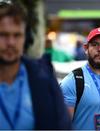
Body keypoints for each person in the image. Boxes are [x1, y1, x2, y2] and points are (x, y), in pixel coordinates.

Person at [0, 1, 71, 130]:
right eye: (3, 35)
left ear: (26, 39)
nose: (10, 42)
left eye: (17, 35)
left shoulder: (43, 78)